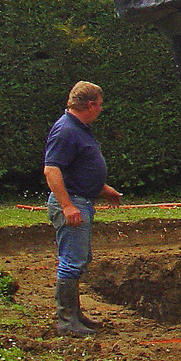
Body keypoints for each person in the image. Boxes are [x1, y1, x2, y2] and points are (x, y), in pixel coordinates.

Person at [43, 81, 122, 337]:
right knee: (71, 262)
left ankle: (75, 316)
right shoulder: (66, 131)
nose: (101, 109)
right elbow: (52, 169)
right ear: (89, 105)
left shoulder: (81, 129)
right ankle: (67, 321)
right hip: (73, 204)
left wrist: (102, 187)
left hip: (83, 201)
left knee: (79, 259)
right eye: (99, 105)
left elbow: (79, 167)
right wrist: (67, 206)